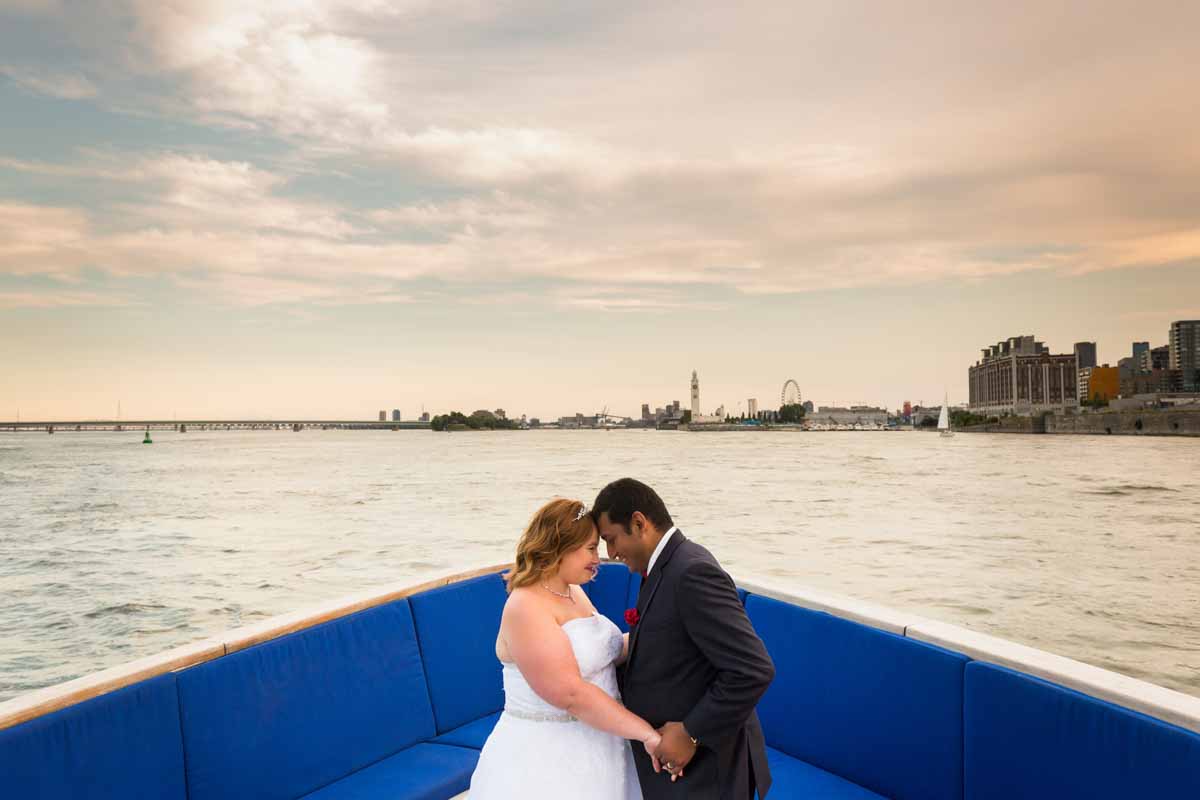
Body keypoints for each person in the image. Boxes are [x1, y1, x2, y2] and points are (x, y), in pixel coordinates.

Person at [593, 478, 775, 800]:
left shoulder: (691, 572)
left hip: (705, 770)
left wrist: (691, 733)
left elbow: (753, 670)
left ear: (639, 523)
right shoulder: (662, 567)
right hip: (673, 766)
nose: (611, 553)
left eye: (611, 539)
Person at [469, 498, 657, 799]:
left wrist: (664, 634)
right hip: (550, 760)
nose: (600, 557)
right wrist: (647, 734)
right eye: (591, 548)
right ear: (560, 547)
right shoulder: (525, 607)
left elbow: (605, 652)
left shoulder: (573, 591)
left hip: (603, 746)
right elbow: (570, 694)